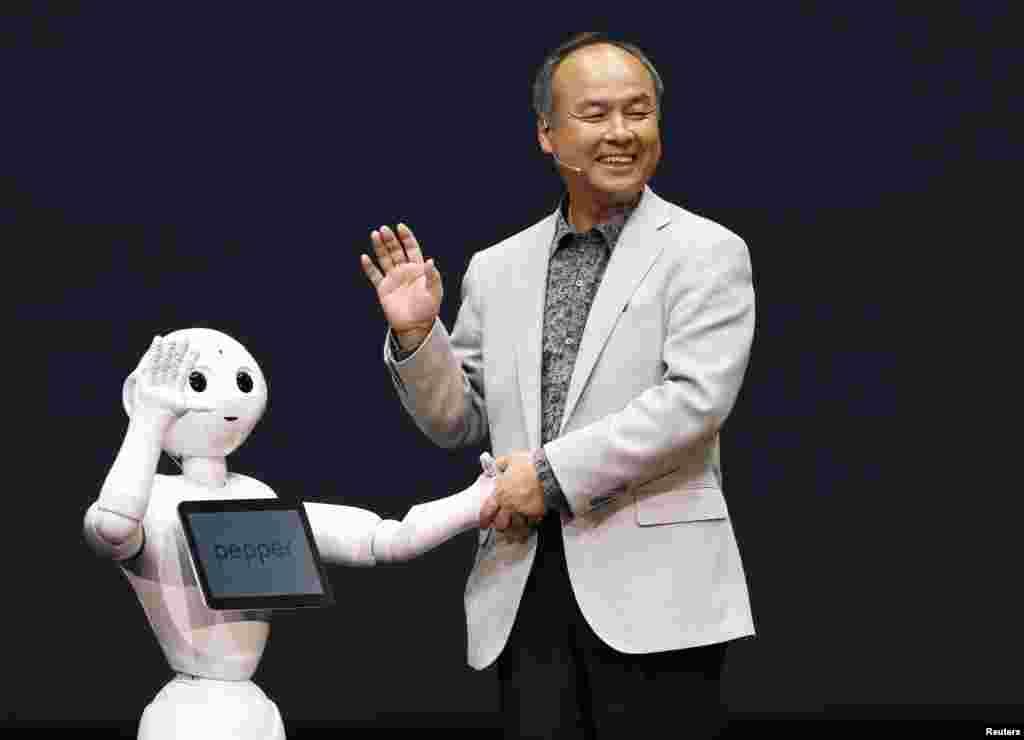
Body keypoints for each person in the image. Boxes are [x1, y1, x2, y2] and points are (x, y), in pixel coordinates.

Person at [359, 32, 756, 739]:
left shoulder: (707, 252)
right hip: (524, 585)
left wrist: (545, 477)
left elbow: (692, 404)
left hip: (657, 592)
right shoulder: (497, 266)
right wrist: (420, 338)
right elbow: (461, 422)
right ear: (547, 133)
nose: (621, 133)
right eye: (596, 113)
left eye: (639, 112)